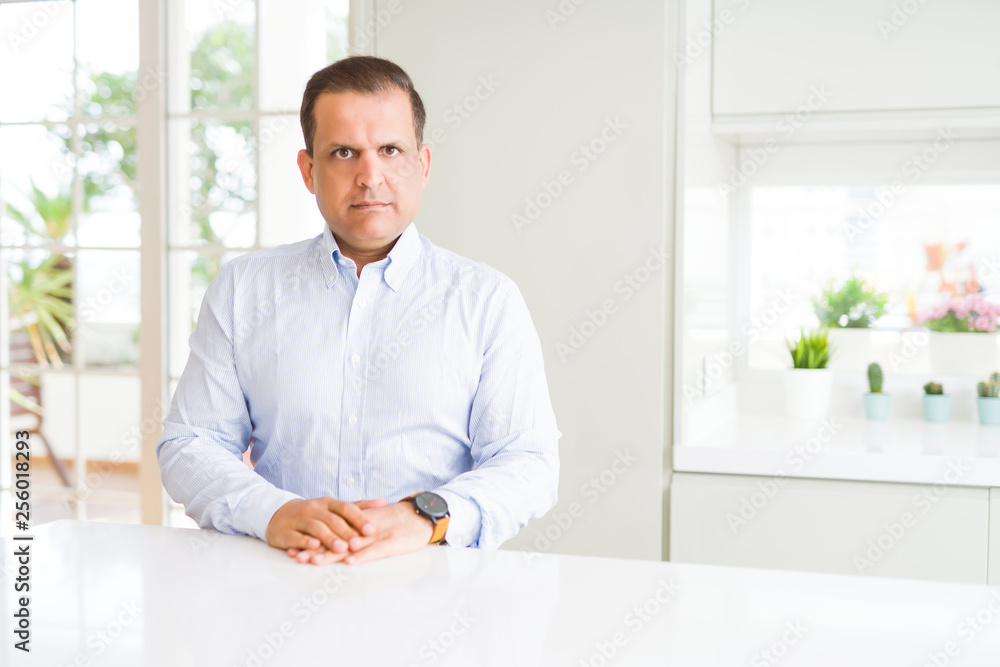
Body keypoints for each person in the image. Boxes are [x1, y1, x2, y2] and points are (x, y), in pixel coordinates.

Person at [156, 56, 560, 566]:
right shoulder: (243, 289)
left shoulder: (487, 300)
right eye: (344, 152)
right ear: (309, 171)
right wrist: (272, 512)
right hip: (280, 582)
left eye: (390, 150)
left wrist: (424, 516)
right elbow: (191, 442)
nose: (370, 176)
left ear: (423, 165)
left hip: (434, 592)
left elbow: (528, 462)